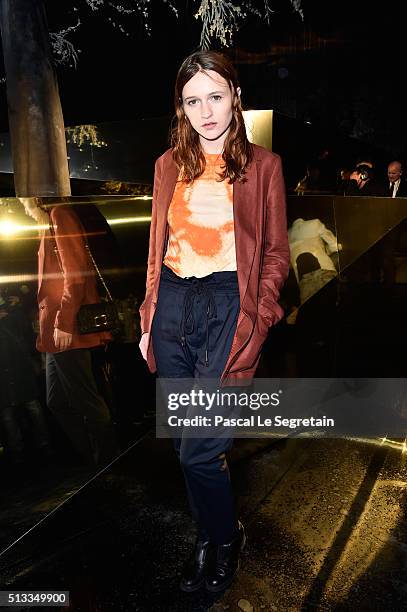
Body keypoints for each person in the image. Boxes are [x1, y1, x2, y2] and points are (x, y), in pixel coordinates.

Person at [138, 51, 289, 593]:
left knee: (205, 445)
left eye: (215, 96)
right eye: (192, 99)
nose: (205, 110)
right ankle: (209, 535)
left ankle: (223, 539)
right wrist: (147, 315)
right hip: (174, 306)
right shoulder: (165, 166)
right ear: (180, 107)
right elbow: (157, 248)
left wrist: (262, 313)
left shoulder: (264, 166)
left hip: (230, 304)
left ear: (235, 97)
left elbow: (275, 252)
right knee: (186, 441)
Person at [20, 198, 118, 468]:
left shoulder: (60, 215)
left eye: (24, 203)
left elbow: (75, 274)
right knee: (57, 402)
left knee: (85, 399)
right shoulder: (49, 221)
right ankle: (96, 459)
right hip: (56, 330)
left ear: (36, 199)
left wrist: (63, 321)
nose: (24, 210)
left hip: (67, 328)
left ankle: (108, 462)